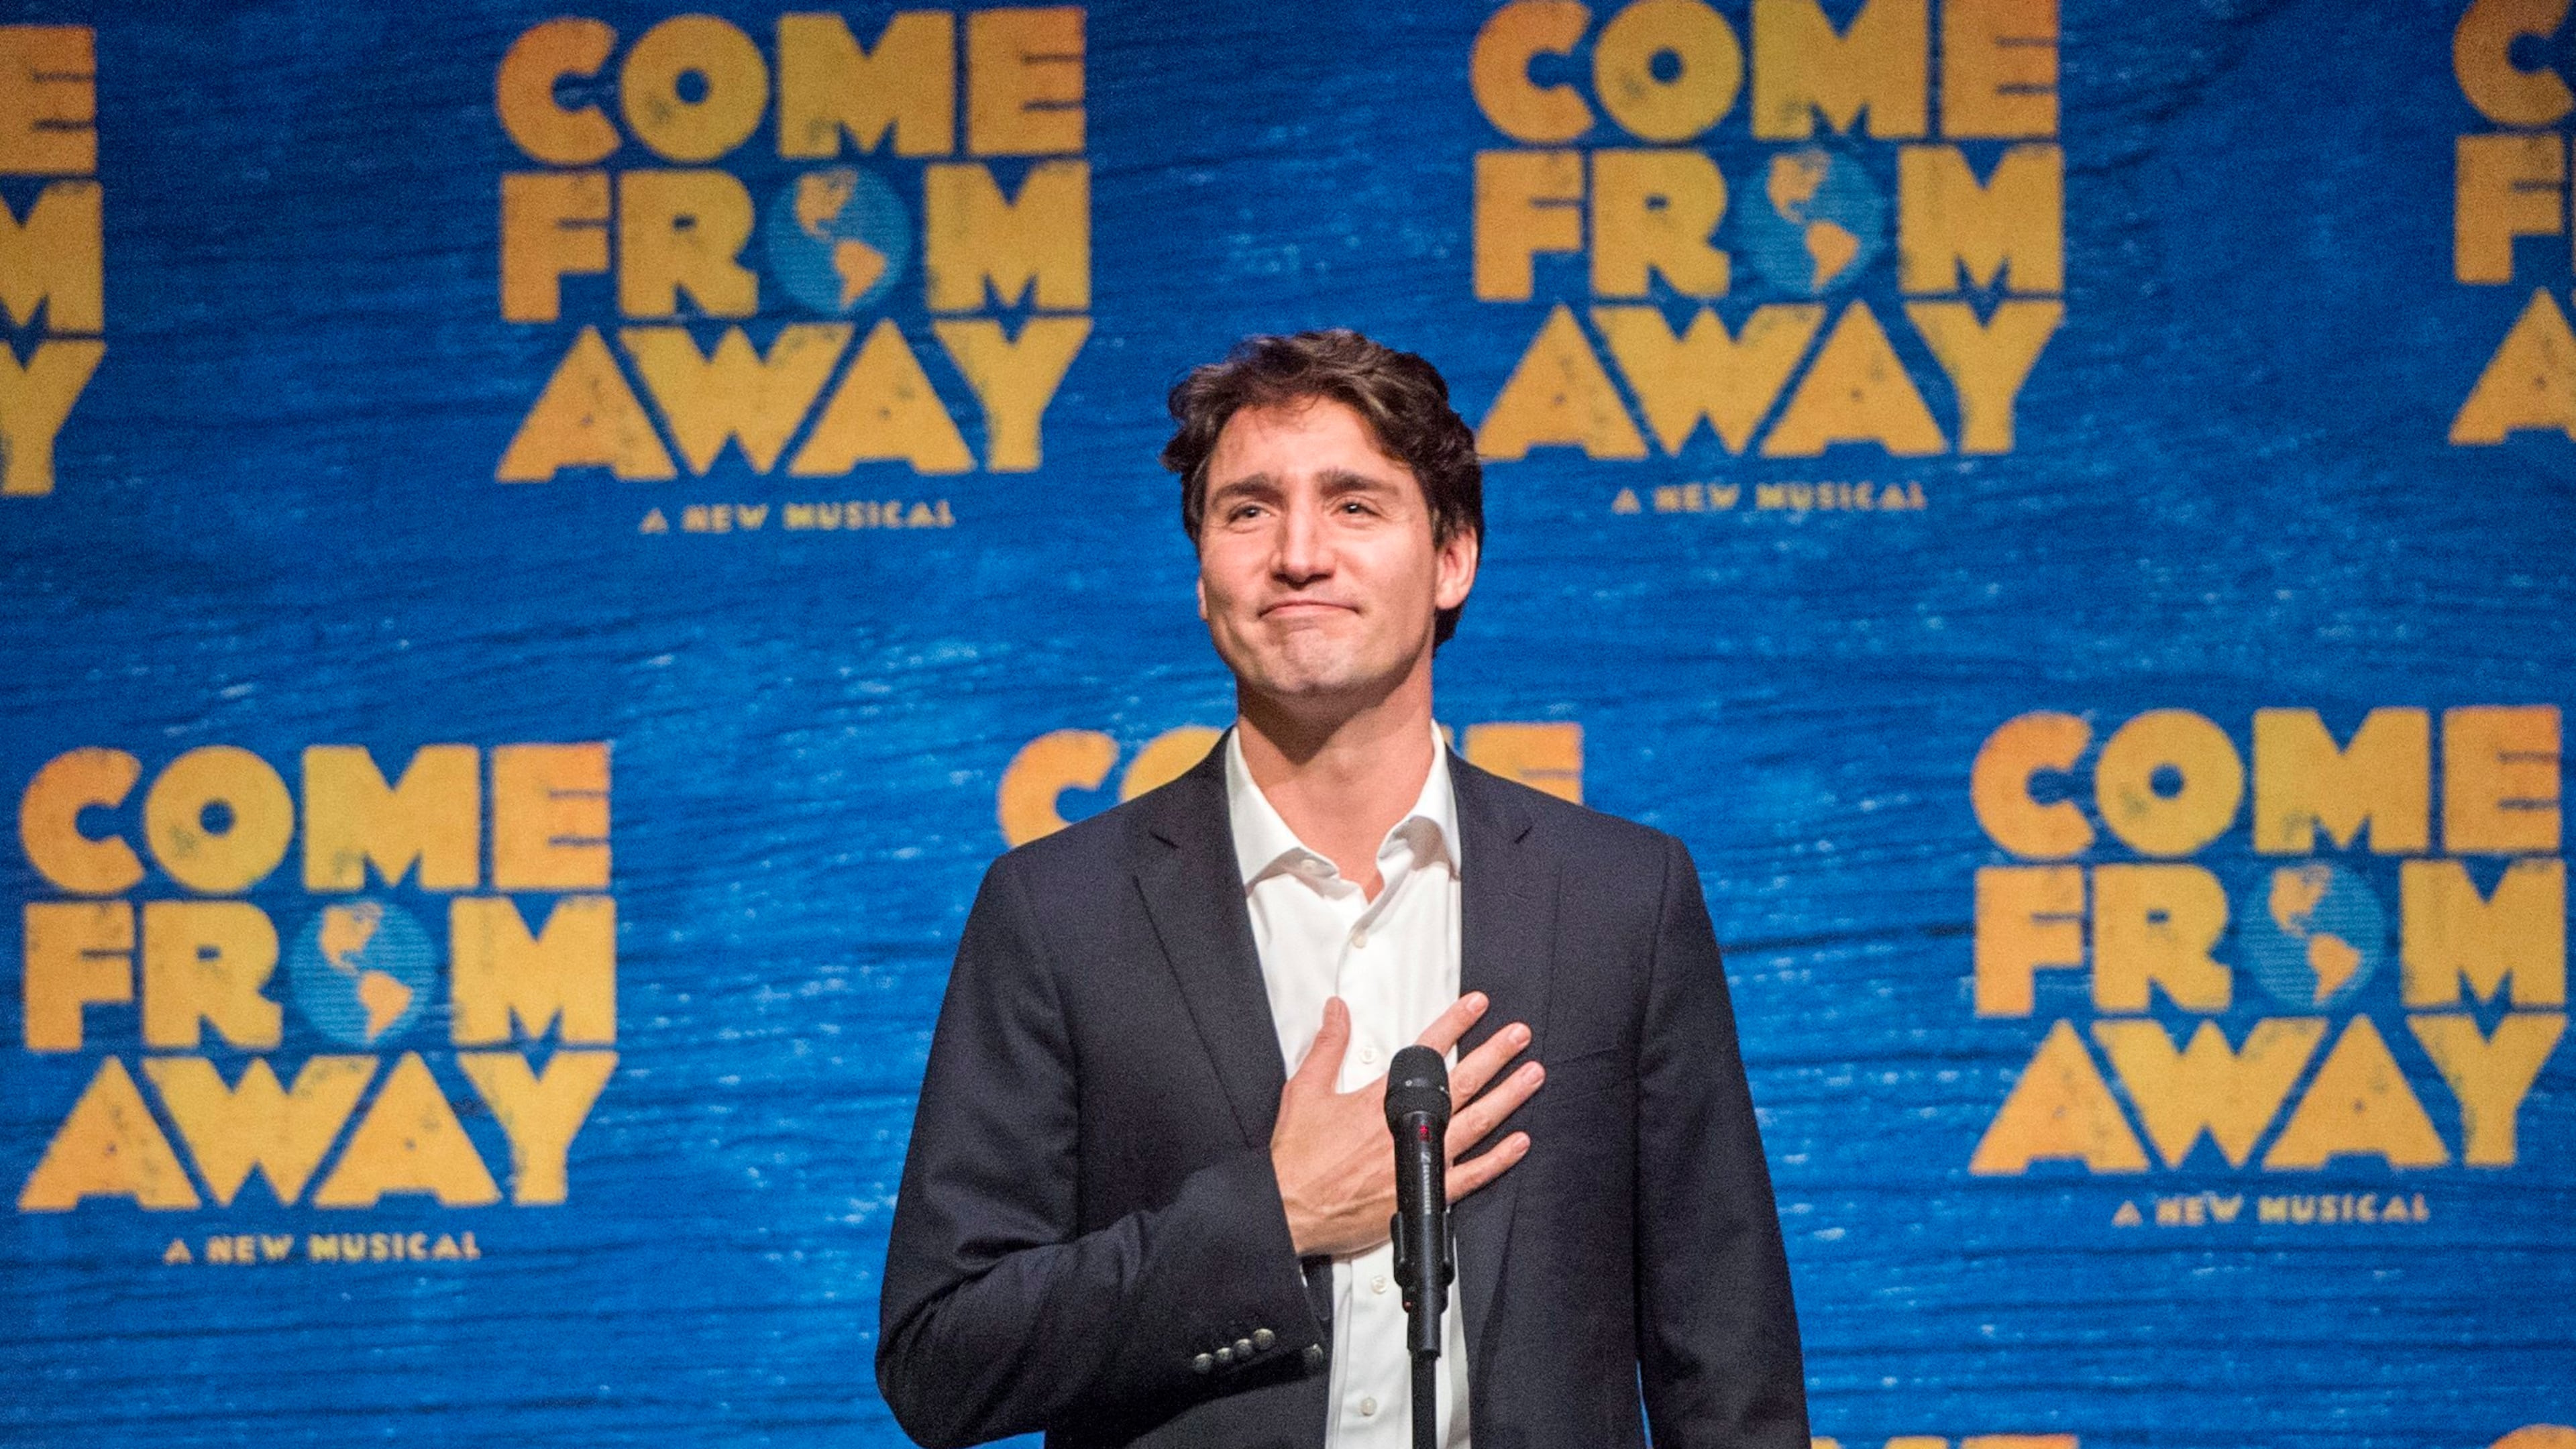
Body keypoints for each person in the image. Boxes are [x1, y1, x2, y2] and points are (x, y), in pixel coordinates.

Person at [877, 330, 1807, 1449]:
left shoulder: (1621, 897)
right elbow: (942, 1357)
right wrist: (1273, 1219)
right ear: (1203, 572)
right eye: (1249, 511)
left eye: (1355, 505)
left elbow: (1729, 1370)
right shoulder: (1058, 909)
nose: (1299, 554)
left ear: (1452, 558)